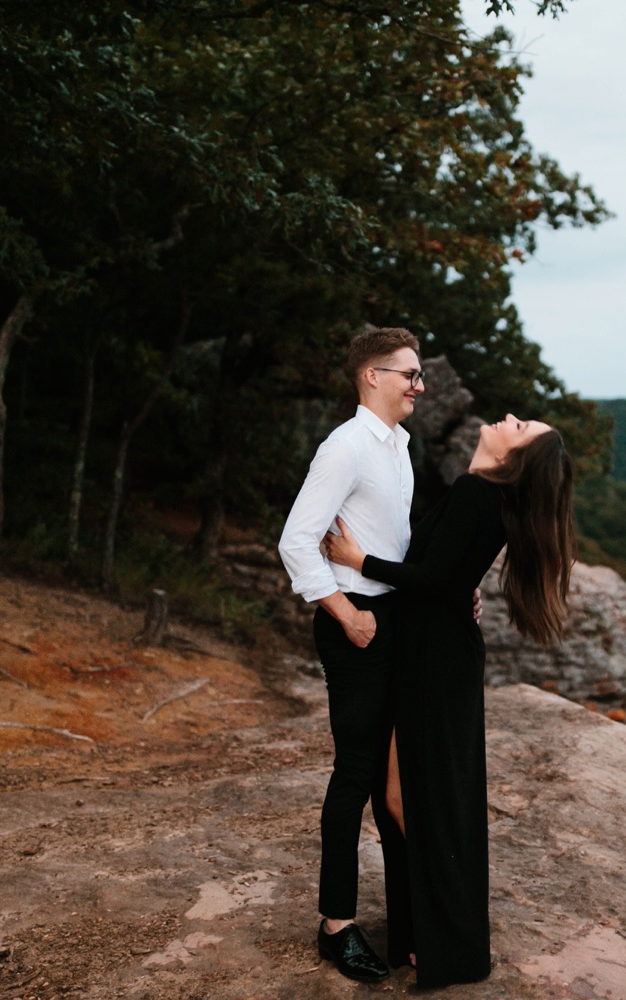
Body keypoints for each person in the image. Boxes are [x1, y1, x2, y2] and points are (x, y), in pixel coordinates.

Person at [323, 412, 576, 988]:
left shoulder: (474, 492)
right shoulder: (481, 493)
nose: (508, 418)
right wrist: (458, 585)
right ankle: (426, 932)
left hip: (435, 663)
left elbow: (431, 577)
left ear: (513, 460)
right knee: (401, 796)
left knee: (412, 798)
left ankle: (446, 939)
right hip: (436, 655)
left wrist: (355, 560)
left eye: (520, 426)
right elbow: (444, 568)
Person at [276, 326, 424, 984]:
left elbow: (397, 539)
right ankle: (335, 925)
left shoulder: (399, 447)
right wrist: (346, 614)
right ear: (372, 376)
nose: (419, 386)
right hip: (355, 624)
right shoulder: (345, 447)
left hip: (393, 620)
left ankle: (409, 918)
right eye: (409, 375)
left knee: (399, 778)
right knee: (357, 773)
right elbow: (296, 542)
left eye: (419, 376)